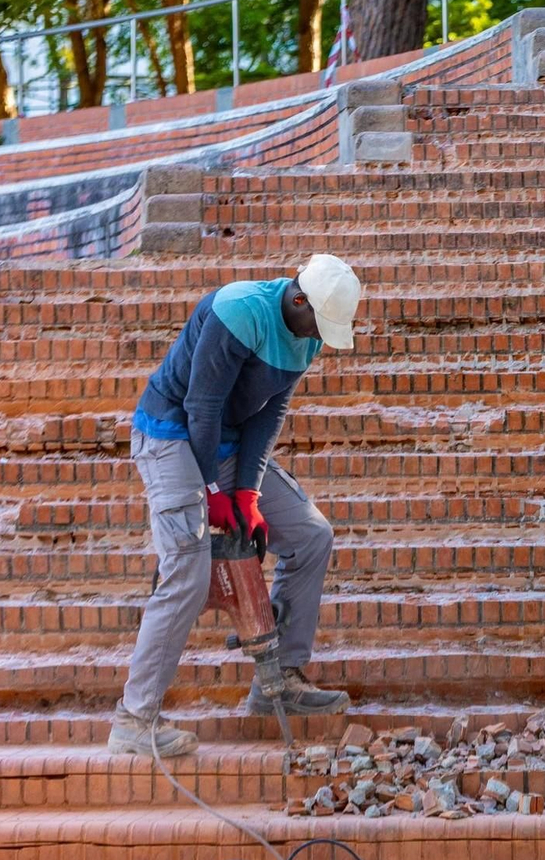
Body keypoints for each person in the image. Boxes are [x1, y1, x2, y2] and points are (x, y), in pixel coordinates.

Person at [108, 255, 363, 757]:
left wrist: (246, 493)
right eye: (319, 325)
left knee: (312, 536)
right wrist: (211, 495)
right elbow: (199, 409)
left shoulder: (308, 335)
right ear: (297, 300)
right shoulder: (238, 311)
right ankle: (134, 721)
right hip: (171, 437)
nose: (320, 339)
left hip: (223, 447)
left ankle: (281, 681)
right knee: (188, 570)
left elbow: (269, 418)